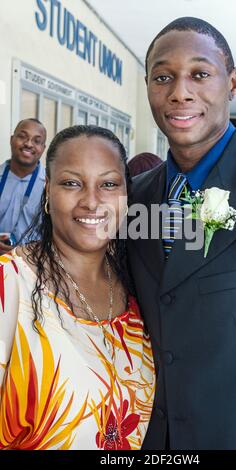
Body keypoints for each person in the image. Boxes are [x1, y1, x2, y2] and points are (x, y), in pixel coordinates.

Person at [127, 17, 236, 449]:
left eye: (200, 74)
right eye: (162, 77)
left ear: (233, 81)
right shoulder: (133, 198)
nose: (180, 92)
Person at [0, 125, 155, 450]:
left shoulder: (139, 285)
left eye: (109, 184)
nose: (91, 200)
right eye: (72, 183)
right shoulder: (11, 283)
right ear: (47, 193)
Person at [0, 118, 47, 255]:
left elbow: (56, 234)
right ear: (11, 139)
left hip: (30, 264)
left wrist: (25, 251)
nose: (28, 144)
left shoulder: (49, 186)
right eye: (22, 137)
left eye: (36, 141)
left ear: (43, 149)